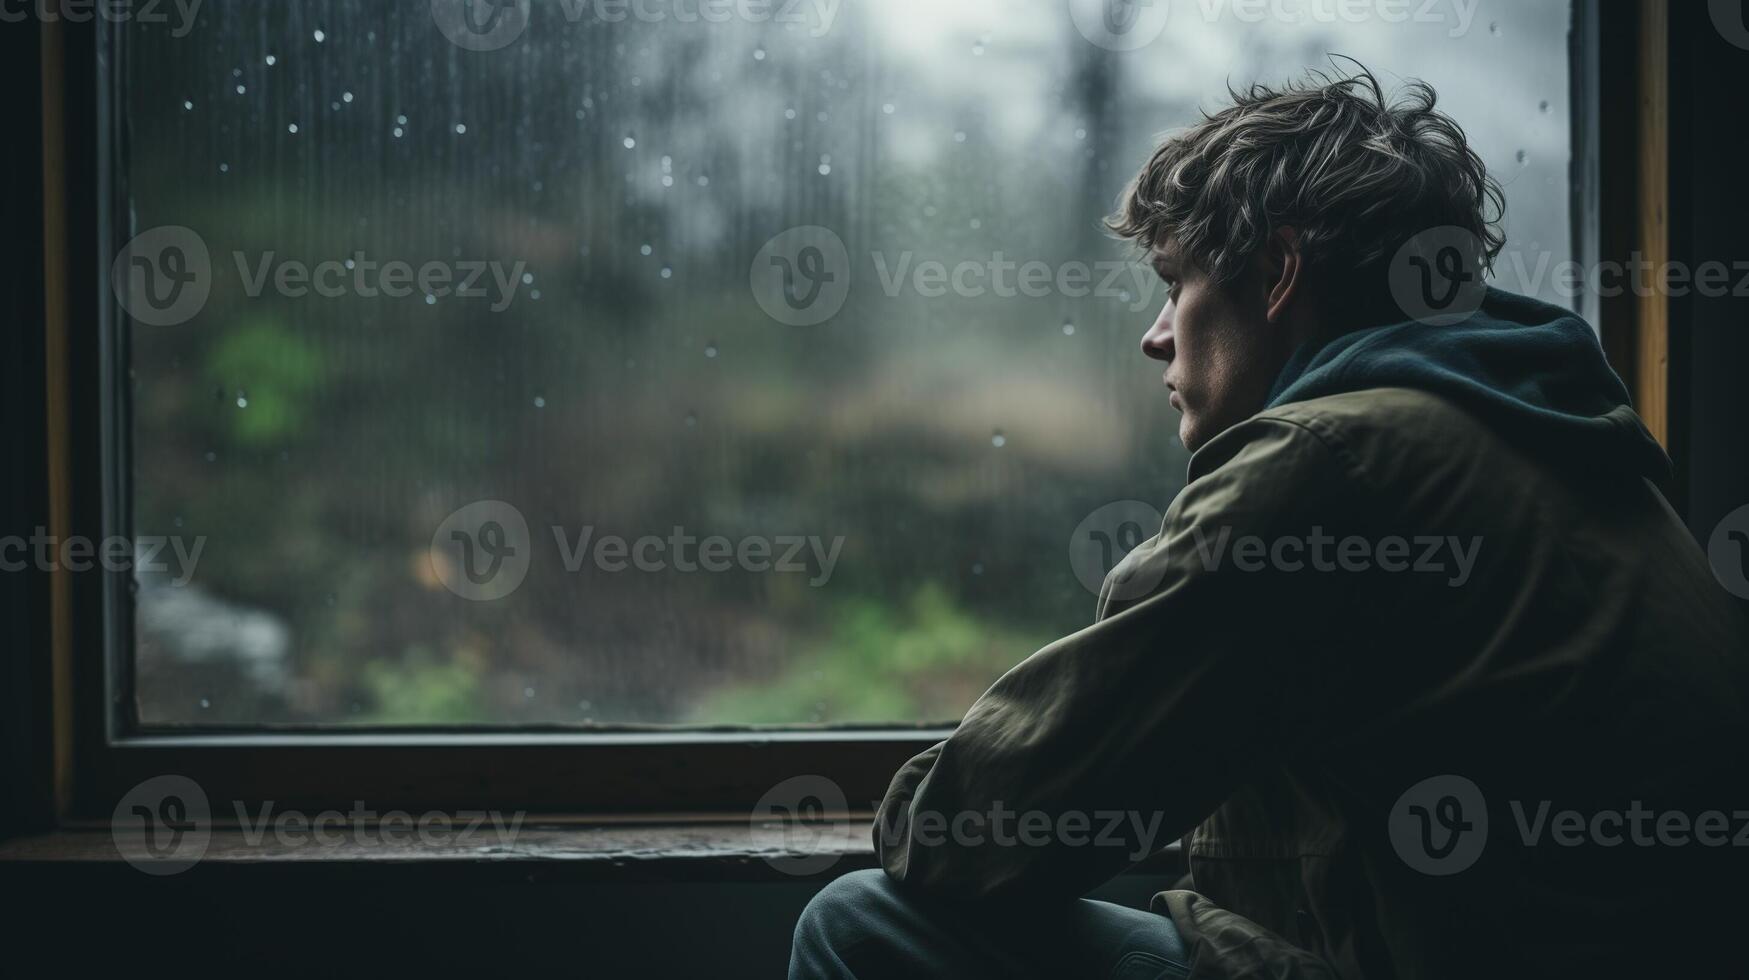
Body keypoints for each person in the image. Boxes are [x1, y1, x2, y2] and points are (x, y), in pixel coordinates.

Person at [789, 68, 1749, 979]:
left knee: (859, 924)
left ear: (1278, 272)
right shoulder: (1547, 441)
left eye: (1175, 284)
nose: (1154, 334)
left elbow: (966, 832)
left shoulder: (1329, 465)